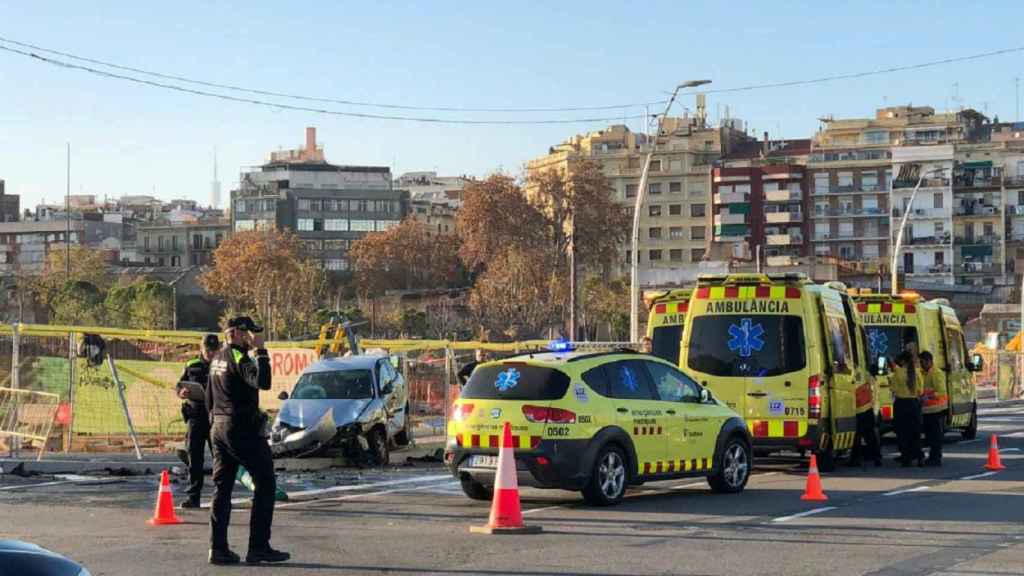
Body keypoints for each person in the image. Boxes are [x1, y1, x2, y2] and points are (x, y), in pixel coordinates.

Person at [206, 316, 289, 566]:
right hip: (241, 429)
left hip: (219, 426)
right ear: (240, 334)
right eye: (250, 333)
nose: (253, 337)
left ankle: (218, 549)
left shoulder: (217, 358)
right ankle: (259, 547)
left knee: (222, 488)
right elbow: (262, 382)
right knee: (265, 484)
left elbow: (209, 397)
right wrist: (262, 351)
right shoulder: (239, 357)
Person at [176, 334, 221, 508]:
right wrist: (182, 393)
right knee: (194, 458)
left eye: (213, 350)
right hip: (195, 415)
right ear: (201, 348)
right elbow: (180, 385)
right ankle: (193, 496)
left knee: (220, 458)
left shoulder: (222, 366)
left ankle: (220, 496)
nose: (210, 353)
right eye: (207, 349)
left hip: (216, 417)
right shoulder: (191, 365)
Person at [890, 342, 925, 467]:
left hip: (901, 404)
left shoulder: (898, 373)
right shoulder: (917, 373)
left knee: (903, 433)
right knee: (915, 432)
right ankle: (919, 456)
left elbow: (893, 389)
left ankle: (906, 458)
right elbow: (921, 391)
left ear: (903, 361)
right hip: (914, 405)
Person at [919, 351, 947, 466]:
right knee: (931, 435)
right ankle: (933, 457)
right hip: (928, 410)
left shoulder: (936, 373)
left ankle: (935, 458)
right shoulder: (925, 373)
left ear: (929, 361)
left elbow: (941, 391)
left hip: (936, 409)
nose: (921, 365)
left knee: (935, 436)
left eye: (922, 362)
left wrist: (928, 396)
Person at [849, 371, 882, 468]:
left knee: (857, 435)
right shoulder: (866, 373)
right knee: (869, 435)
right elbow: (874, 391)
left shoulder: (855, 372)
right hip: (867, 408)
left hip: (859, 409)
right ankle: (876, 457)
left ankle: (856, 459)